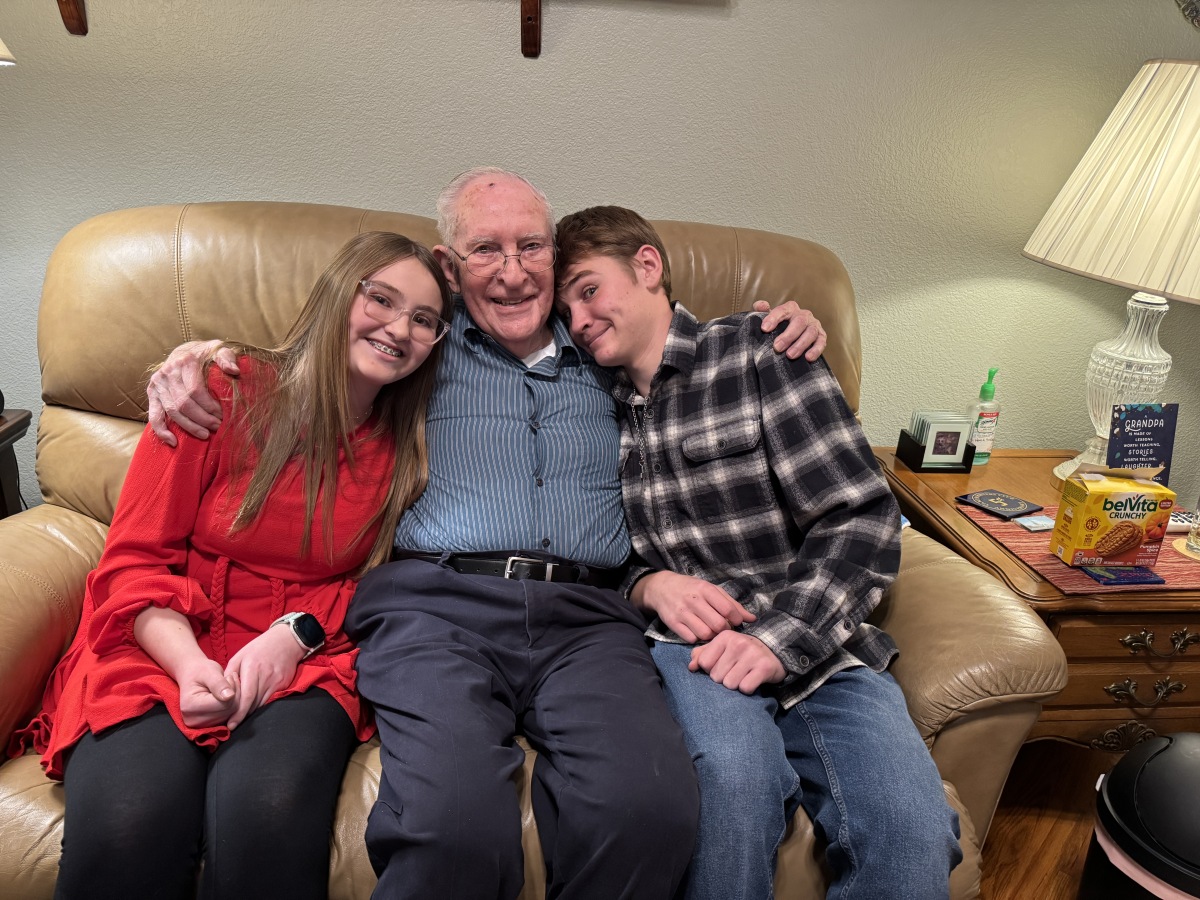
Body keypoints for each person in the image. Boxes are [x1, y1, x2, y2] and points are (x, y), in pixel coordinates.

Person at [145, 169, 827, 900]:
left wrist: (780, 326)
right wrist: (197, 356)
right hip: (436, 607)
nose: (512, 273)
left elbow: (689, 354)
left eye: (530, 246)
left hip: (589, 620)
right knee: (454, 826)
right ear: (449, 266)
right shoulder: (422, 344)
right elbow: (321, 359)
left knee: (648, 812)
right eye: (484, 250)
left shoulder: (601, 343)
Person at [10, 232, 454, 900]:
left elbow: (372, 582)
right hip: (157, 642)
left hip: (307, 659)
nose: (399, 329)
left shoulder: (407, 450)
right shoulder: (217, 390)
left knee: (268, 816)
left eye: (423, 319)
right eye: (382, 300)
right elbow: (133, 559)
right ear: (340, 295)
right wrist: (189, 666)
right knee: (131, 823)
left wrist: (293, 635)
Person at [553, 205, 963, 900]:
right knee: (731, 792)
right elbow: (582, 549)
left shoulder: (760, 352)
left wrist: (778, 641)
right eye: (566, 311)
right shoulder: (586, 402)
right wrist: (646, 584)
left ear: (647, 266)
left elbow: (860, 517)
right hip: (693, 649)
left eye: (589, 290)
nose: (581, 319)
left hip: (822, 642)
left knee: (911, 831)